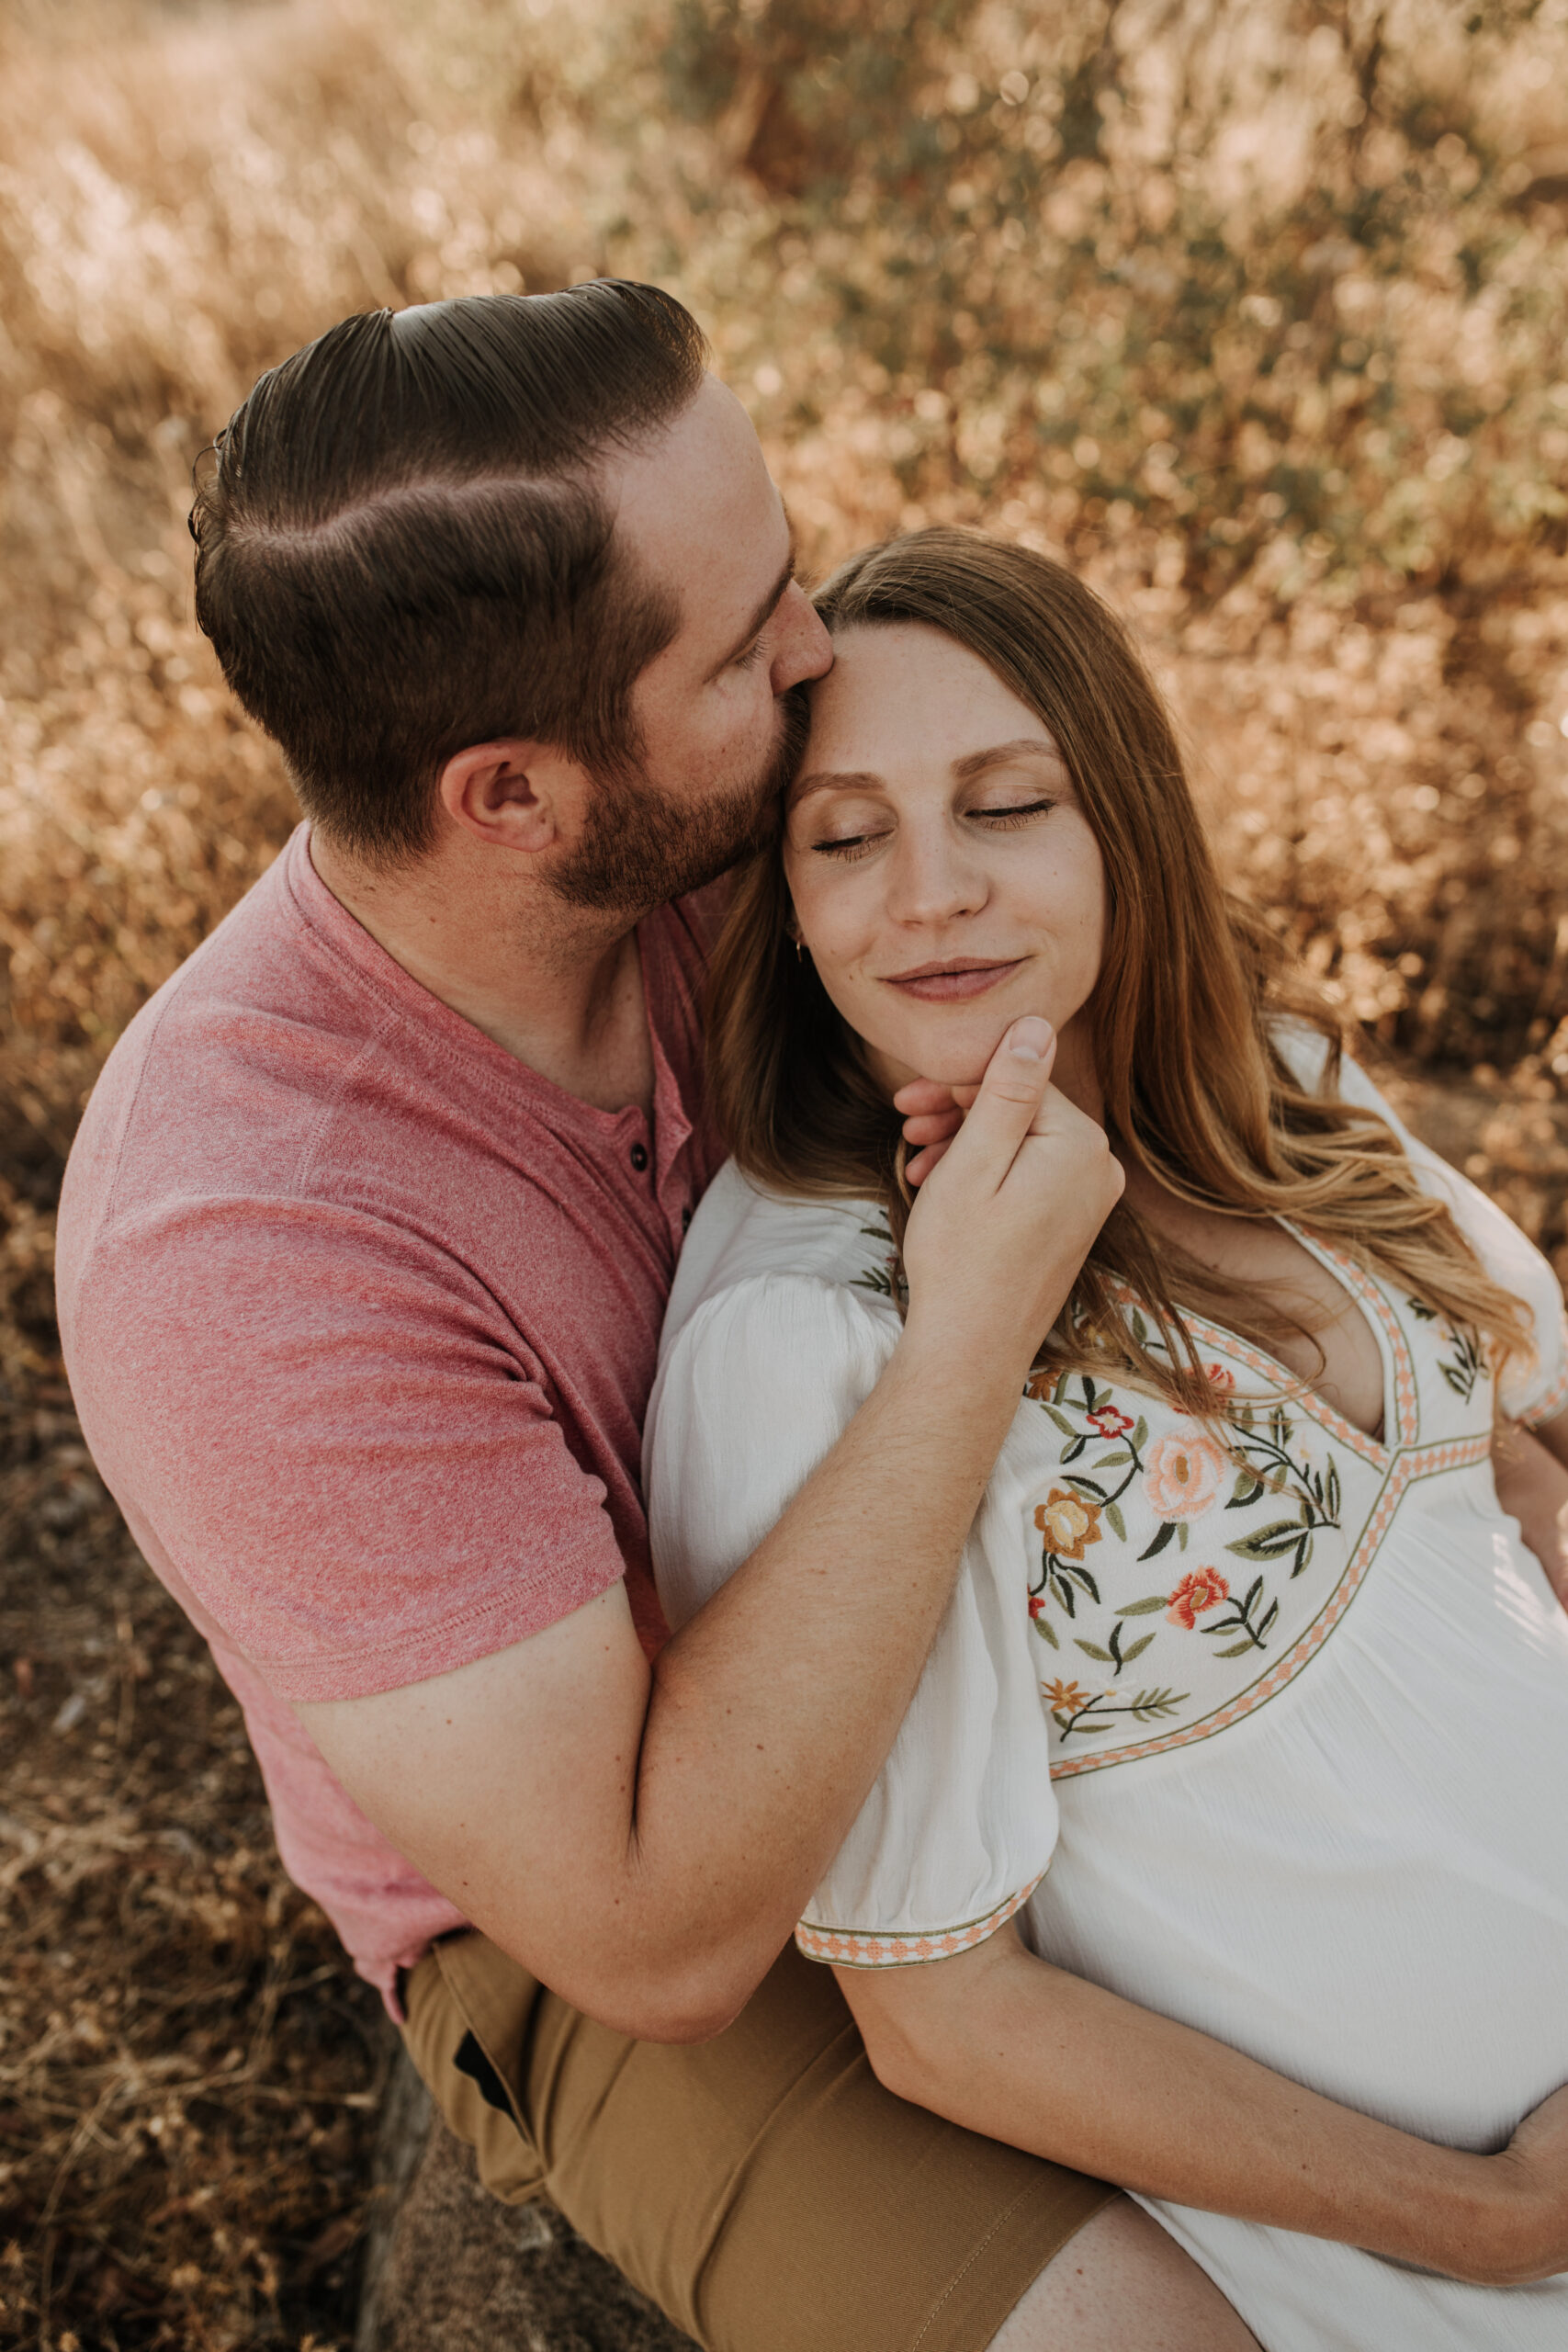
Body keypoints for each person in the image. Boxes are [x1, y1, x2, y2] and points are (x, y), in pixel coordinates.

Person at [54, 288, 1267, 2352]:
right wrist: (967, 1329)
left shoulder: (744, 828)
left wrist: (1488, 1416)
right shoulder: (234, 1245)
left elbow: (1141, 1033)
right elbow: (644, 1922)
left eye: (782, 574)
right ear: (511, 797)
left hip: (1019, 1589)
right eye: (741, 644)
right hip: (617, 1886)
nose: (816, 655)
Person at [646, 525, 1568, 2352]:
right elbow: (941, 2014)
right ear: (783, 894)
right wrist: (1486, 2219)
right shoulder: (807, 1338)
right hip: (1451, 2264)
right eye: (845, 836)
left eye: (1004, 806)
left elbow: (1507, 1428)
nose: (928, 896)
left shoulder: (1285, 1090)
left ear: (1121, 822)